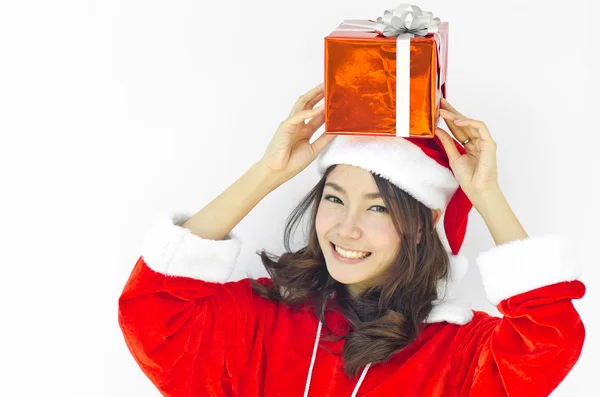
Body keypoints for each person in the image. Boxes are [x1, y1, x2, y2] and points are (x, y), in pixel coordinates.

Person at [118, 83, 586, 396]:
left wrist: (483, 193)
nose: (347, 228)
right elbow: (154, 311)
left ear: (423, 224)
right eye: (335, 199)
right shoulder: (260, 321)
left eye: (378, 207)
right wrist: (267, 174)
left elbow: (548, 340)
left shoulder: (458, 355)